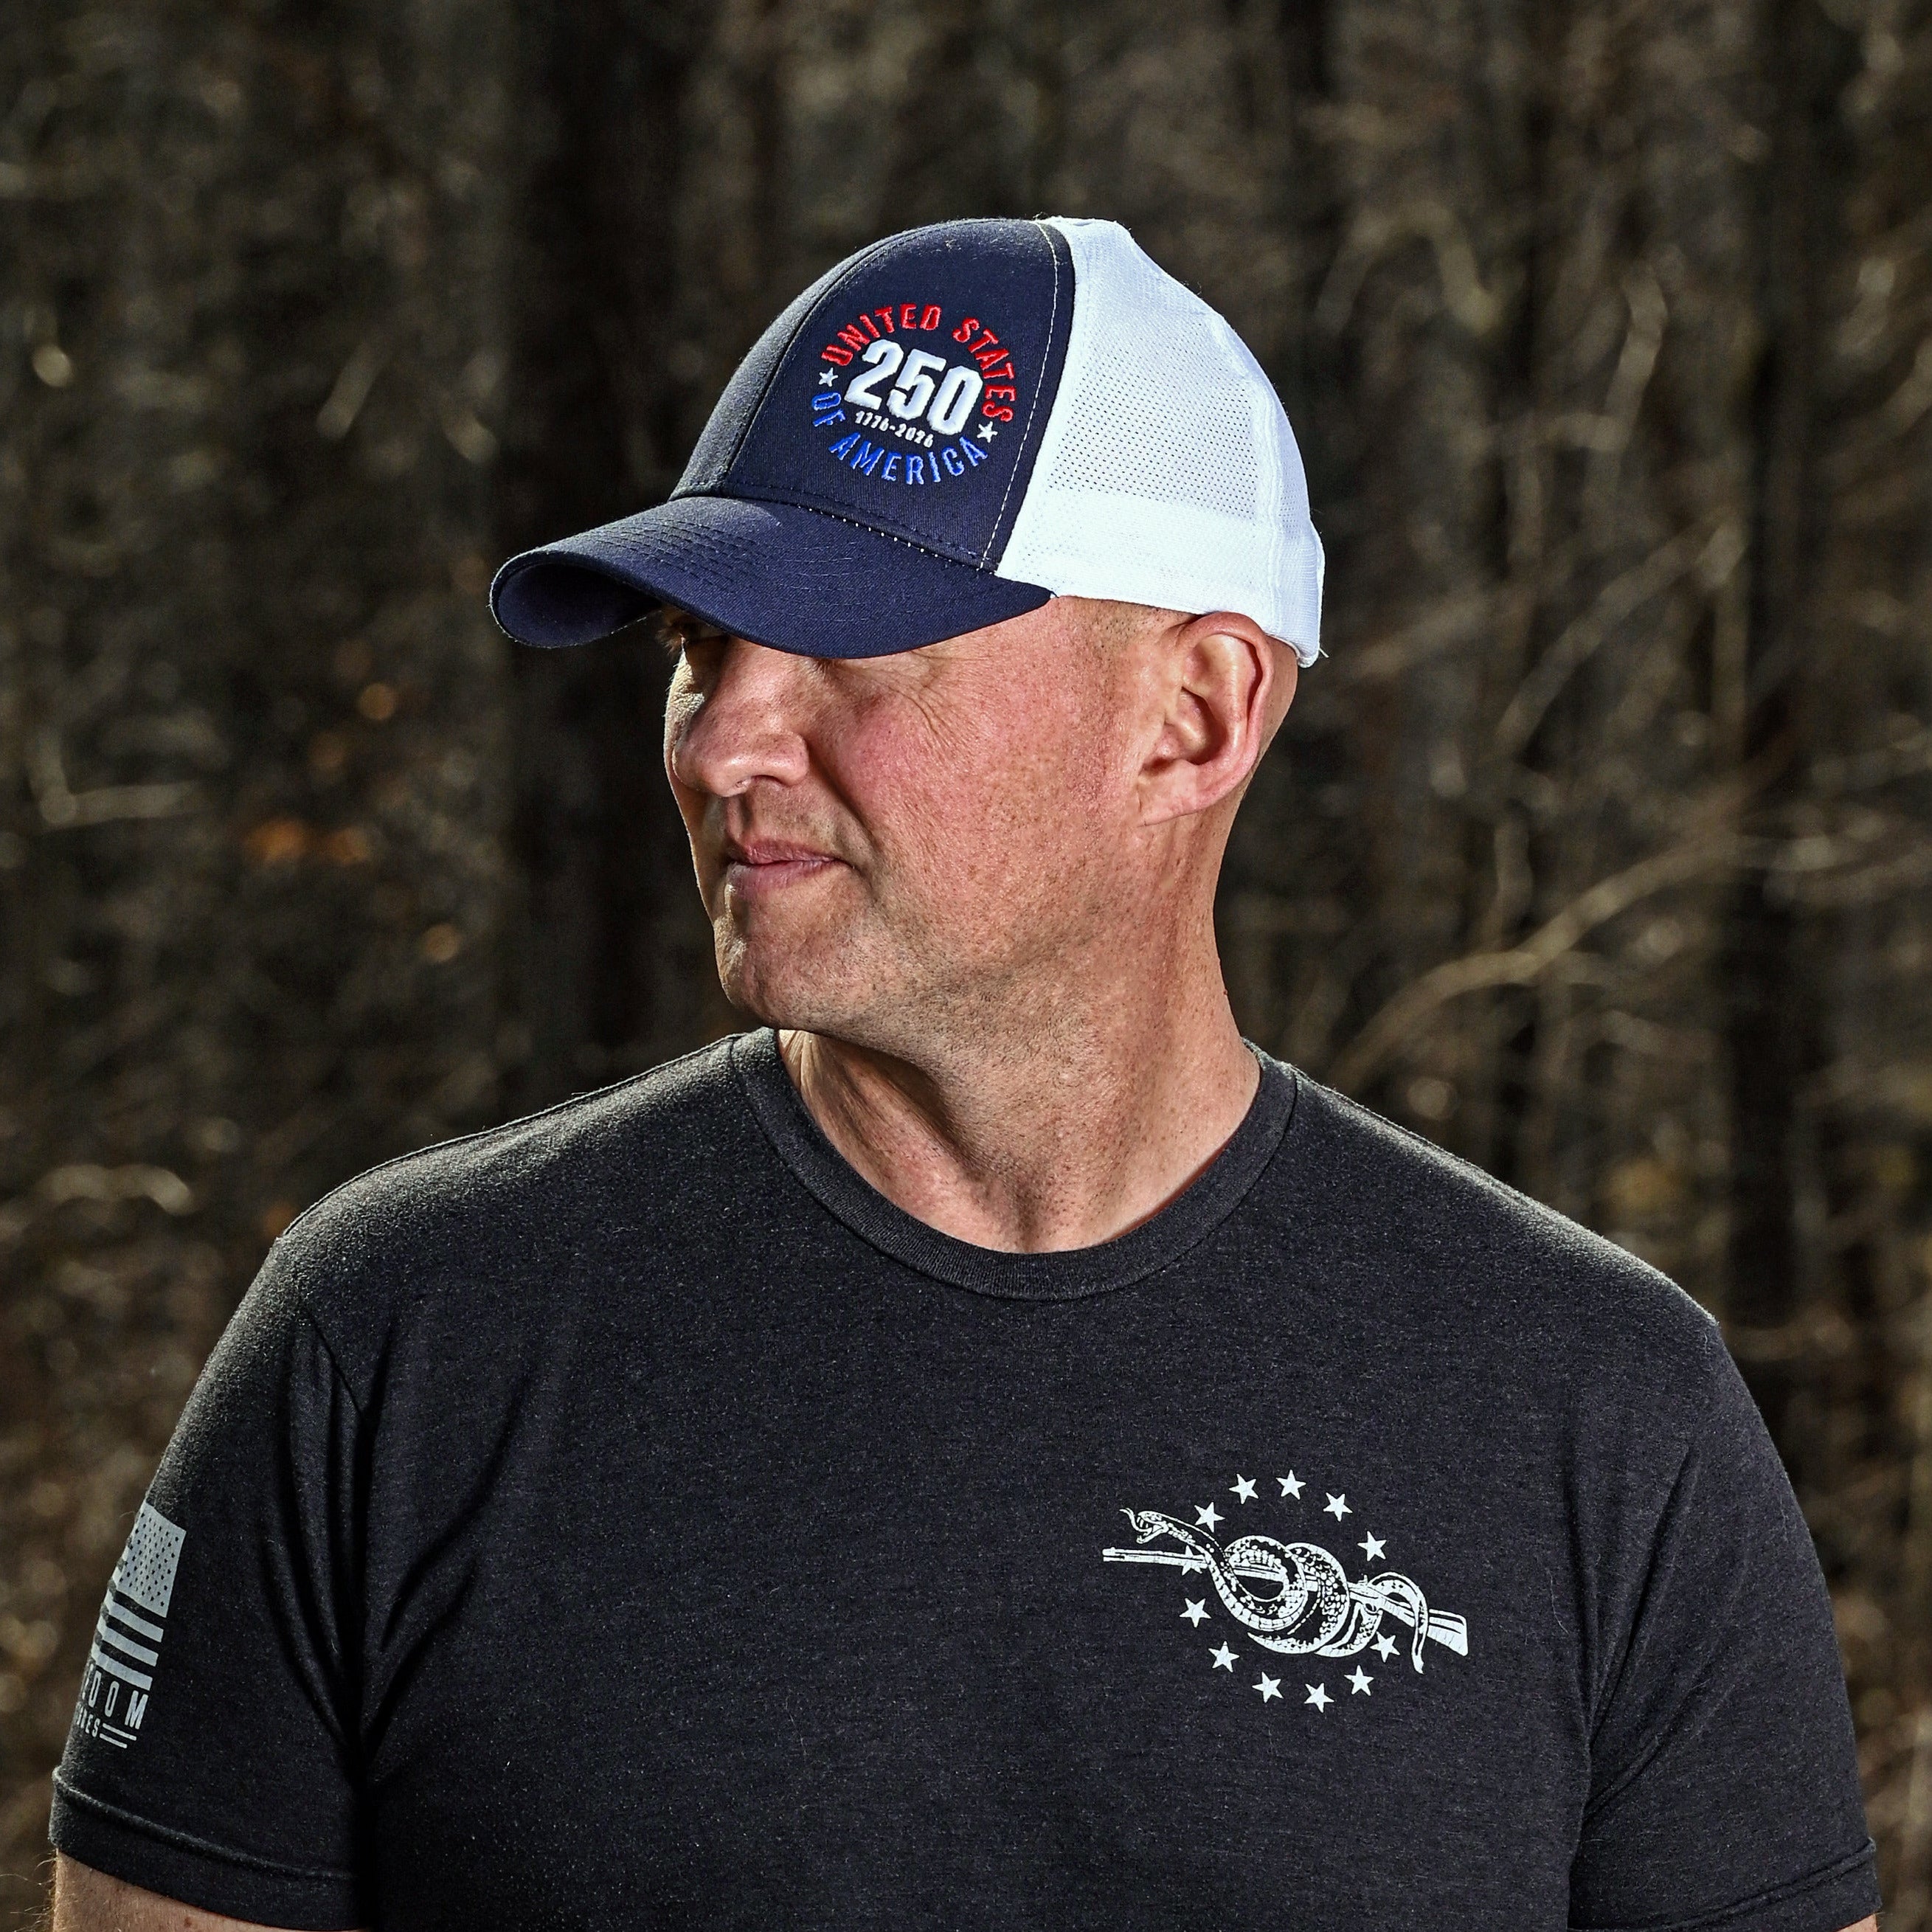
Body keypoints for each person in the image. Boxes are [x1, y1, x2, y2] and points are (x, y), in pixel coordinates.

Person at [50, 218, 1879, 1932]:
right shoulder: (400, 1339)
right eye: (701, 650)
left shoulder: (1592, 1412)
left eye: (850, 644)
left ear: (1194, 715)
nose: (723, 743)